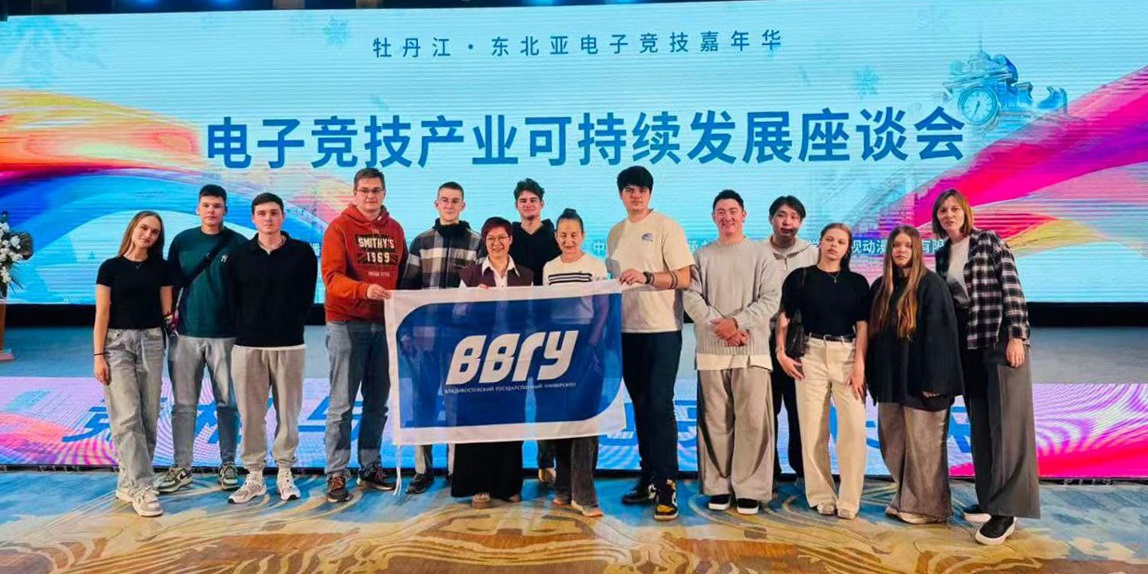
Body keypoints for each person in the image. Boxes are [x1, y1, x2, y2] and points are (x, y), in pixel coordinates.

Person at [933, 189, 1039, 545]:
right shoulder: (942, 254)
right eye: (942, 210)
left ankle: (1007, 511)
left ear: (965, 212)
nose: (949, 214)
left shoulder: (990, 241)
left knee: (1008, 428)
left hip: (999, 339)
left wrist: (1017, 335)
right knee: (980, 426)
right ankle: (991, 498)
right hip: (969, 346)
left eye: (954, 208)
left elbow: (1013, 289)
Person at [683, 190, 782, 516]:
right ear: (714, 217)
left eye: (733, 210)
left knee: (753, 421)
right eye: (721, 212)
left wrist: (738, 323)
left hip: (752, 351)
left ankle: (749, 489)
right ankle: (718, 486)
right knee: (716, 422)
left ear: (744, 215)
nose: (727, 217)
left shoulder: (761, 255)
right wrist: (723, 327)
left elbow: (770, 299)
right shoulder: (701, 256)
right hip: (712, 353)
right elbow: (691, 299)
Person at [605, 166, 693, 521]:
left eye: (641, 190)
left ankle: (667, 483)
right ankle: (648, 476)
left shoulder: (666, 227)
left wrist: (647, 277)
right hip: (627, 331)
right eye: (629, 190)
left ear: (650, 193)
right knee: (640, 407)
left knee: (659, 405)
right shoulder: (615, 232)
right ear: (620, 194)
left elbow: (685, 277)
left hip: (662, 330)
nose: (636, 196)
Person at [224, 193, 318, 504]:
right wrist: (246, 327)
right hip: (248, 346)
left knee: (288, 413)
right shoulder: (238, 255)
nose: (268, 218)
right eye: (262, 213)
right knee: (251, 414)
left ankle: (284, 471)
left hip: (289, 344)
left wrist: (288, 325)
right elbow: (231, 300)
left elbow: (306, 297)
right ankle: (254, 475)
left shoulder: (302, 252)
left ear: (282, 216)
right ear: (253, 218)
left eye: (274, 212)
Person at [867, 225, 963, 525]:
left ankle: (929, 508)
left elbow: (942, 337)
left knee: (924, 450)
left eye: (908, 245)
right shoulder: (880, 287)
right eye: (896, 245)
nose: (901, 250)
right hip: (891, 383)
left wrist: (937, 382)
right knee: (893, 445)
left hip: (924, 384)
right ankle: (907, 499)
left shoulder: (931, 285)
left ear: (917, 250)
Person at [322, 167, 407, 503]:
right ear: (354, 194)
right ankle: (336, 472)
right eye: (365, 190)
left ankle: (370, 467)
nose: (371, 196)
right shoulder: (339, 227)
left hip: (385, 325)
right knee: (341, 405)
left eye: (376, 190)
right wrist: (363, 289)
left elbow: (402, 275)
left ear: (384, 193)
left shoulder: (395, 229)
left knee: (377, 404)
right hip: (347, 324)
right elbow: (331, 278)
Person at [775, 223, 870, 520]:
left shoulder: (857, 282)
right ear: (820, 242)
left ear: (847, 248)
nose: (833, 245)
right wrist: (780, 353)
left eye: (840, 242)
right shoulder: (800, 277)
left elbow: (863, 326)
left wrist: (860, 365)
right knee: (813, 429)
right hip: (810, 354)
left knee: (853, 429)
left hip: (847, 354)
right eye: (829, 239)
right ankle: (821, 495)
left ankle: (850, 499)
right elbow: (784, 317)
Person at [155, 185, 246, 495]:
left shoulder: (238, 243)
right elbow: (170, 284)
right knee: (183, 405)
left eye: (217, 206)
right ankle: (182, 466)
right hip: (186, 336)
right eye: (206, 205)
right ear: (197, 208)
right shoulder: (183, 241)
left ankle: (228, 463)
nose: (211, 211)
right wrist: (168, 319)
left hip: (226, 336)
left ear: (225, 210)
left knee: (228, 403)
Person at [399, 181, 482, 494]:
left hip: (460, 343)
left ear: (463, 206)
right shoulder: (421, 241)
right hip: (424, 339)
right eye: (444, 200)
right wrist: (406, 333)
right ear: (436, 204)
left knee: (456, 406)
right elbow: (407, 290)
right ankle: (422, 470)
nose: (449, 205)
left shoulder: (476, 243)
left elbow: (480, 295)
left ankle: (454, 470)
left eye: (455, 201)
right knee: (422, 403)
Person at [483, 178, 562, 485]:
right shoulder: (508, 238)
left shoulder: (555, 237)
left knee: (546, 399)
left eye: (533, 200)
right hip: (509, 333)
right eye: (523, 200)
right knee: (509, 400)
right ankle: (508, 469)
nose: (528, 205)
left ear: (542, 204)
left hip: (548, 329)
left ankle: (546, 462)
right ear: (516, 205)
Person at [93, 210, 172, 517]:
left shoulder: (162, 268)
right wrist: (98, 355)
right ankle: (142, 487)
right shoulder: (110, 268)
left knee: (148, 417)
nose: (148, 235)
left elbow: (167, 312)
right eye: (144, 228)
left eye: (154, 232)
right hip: (117, 345)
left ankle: (128, 481)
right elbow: (102, 313)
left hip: (152, 342)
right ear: (132, 228)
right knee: (126, 417)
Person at [451, 217, 532, 508]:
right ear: (484, 242)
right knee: (477, 421)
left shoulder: (526, 275)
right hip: (477, 360)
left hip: (514, 359)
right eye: (491, 239)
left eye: (502, 238)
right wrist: (473, 300)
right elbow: (456, 315)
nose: (497, 244)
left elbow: (533, 316)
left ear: (511, 240)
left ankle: (507, 485)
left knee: (511, 421)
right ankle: (479, 486)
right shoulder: (471, 275)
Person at [542, 208, 609, 517]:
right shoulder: (549, 268)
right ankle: (563, 488)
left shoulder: (595, 265)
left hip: (587, 348)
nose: (568, 240)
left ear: (583, 236)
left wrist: (591, 344)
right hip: (556, 350)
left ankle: (584, 494)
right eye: (563, 235)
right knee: (561, 422)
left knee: (585, 422)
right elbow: (546, 309)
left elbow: (603, 309)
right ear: (556, 237)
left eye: (574, 235)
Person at [763, 196, 818, 485]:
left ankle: (803, 472)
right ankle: (767, 473)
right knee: (764, 410)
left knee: (801, 410)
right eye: (782, 215)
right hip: (762, 340)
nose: (788, 222)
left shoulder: (813, 253)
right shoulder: (756, 252)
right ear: (771, 218)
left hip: (799, 343)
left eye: (794, 217)